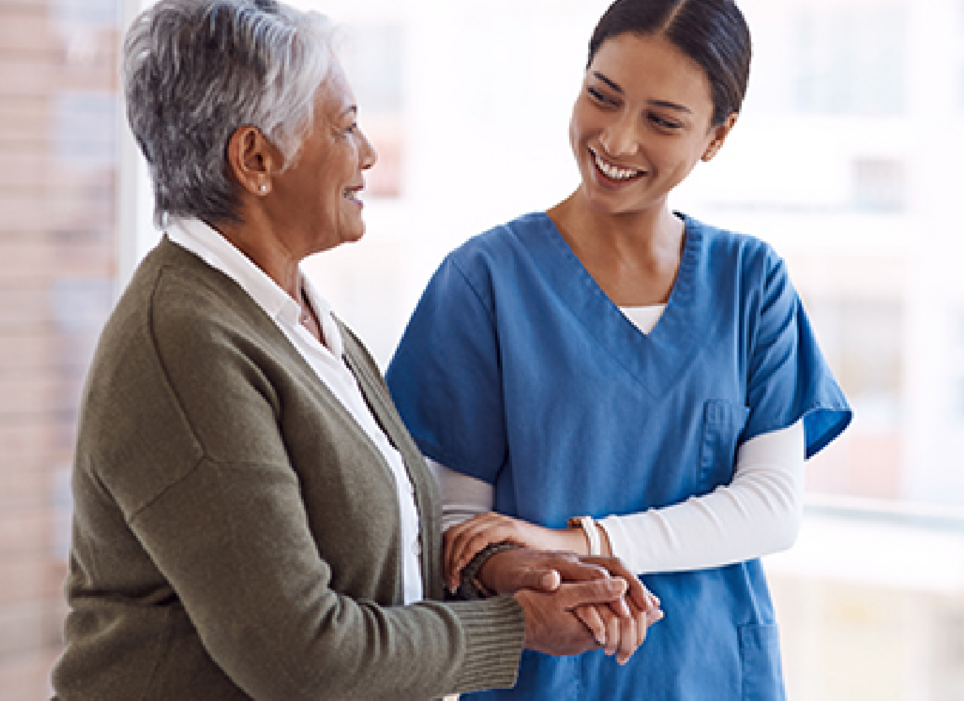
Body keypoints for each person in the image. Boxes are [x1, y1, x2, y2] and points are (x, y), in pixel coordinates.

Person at [49, 1, 662, 699]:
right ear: (256, 158)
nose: (368, 152)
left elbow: (363, 560)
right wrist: (514, 626)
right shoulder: (185, 344)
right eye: (344, 127)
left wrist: (494, 570)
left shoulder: (294, 316)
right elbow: (301, 657)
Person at [385, 0, 854, 698]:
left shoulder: (750, 283)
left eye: (663, 121)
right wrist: (530, 563)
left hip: (715, 672)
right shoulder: (483, 282)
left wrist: (581, 541)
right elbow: (462, 531)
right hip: (545, 674)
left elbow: (771, 506)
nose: (617, 140)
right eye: (601, 97)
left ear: (717, 136)